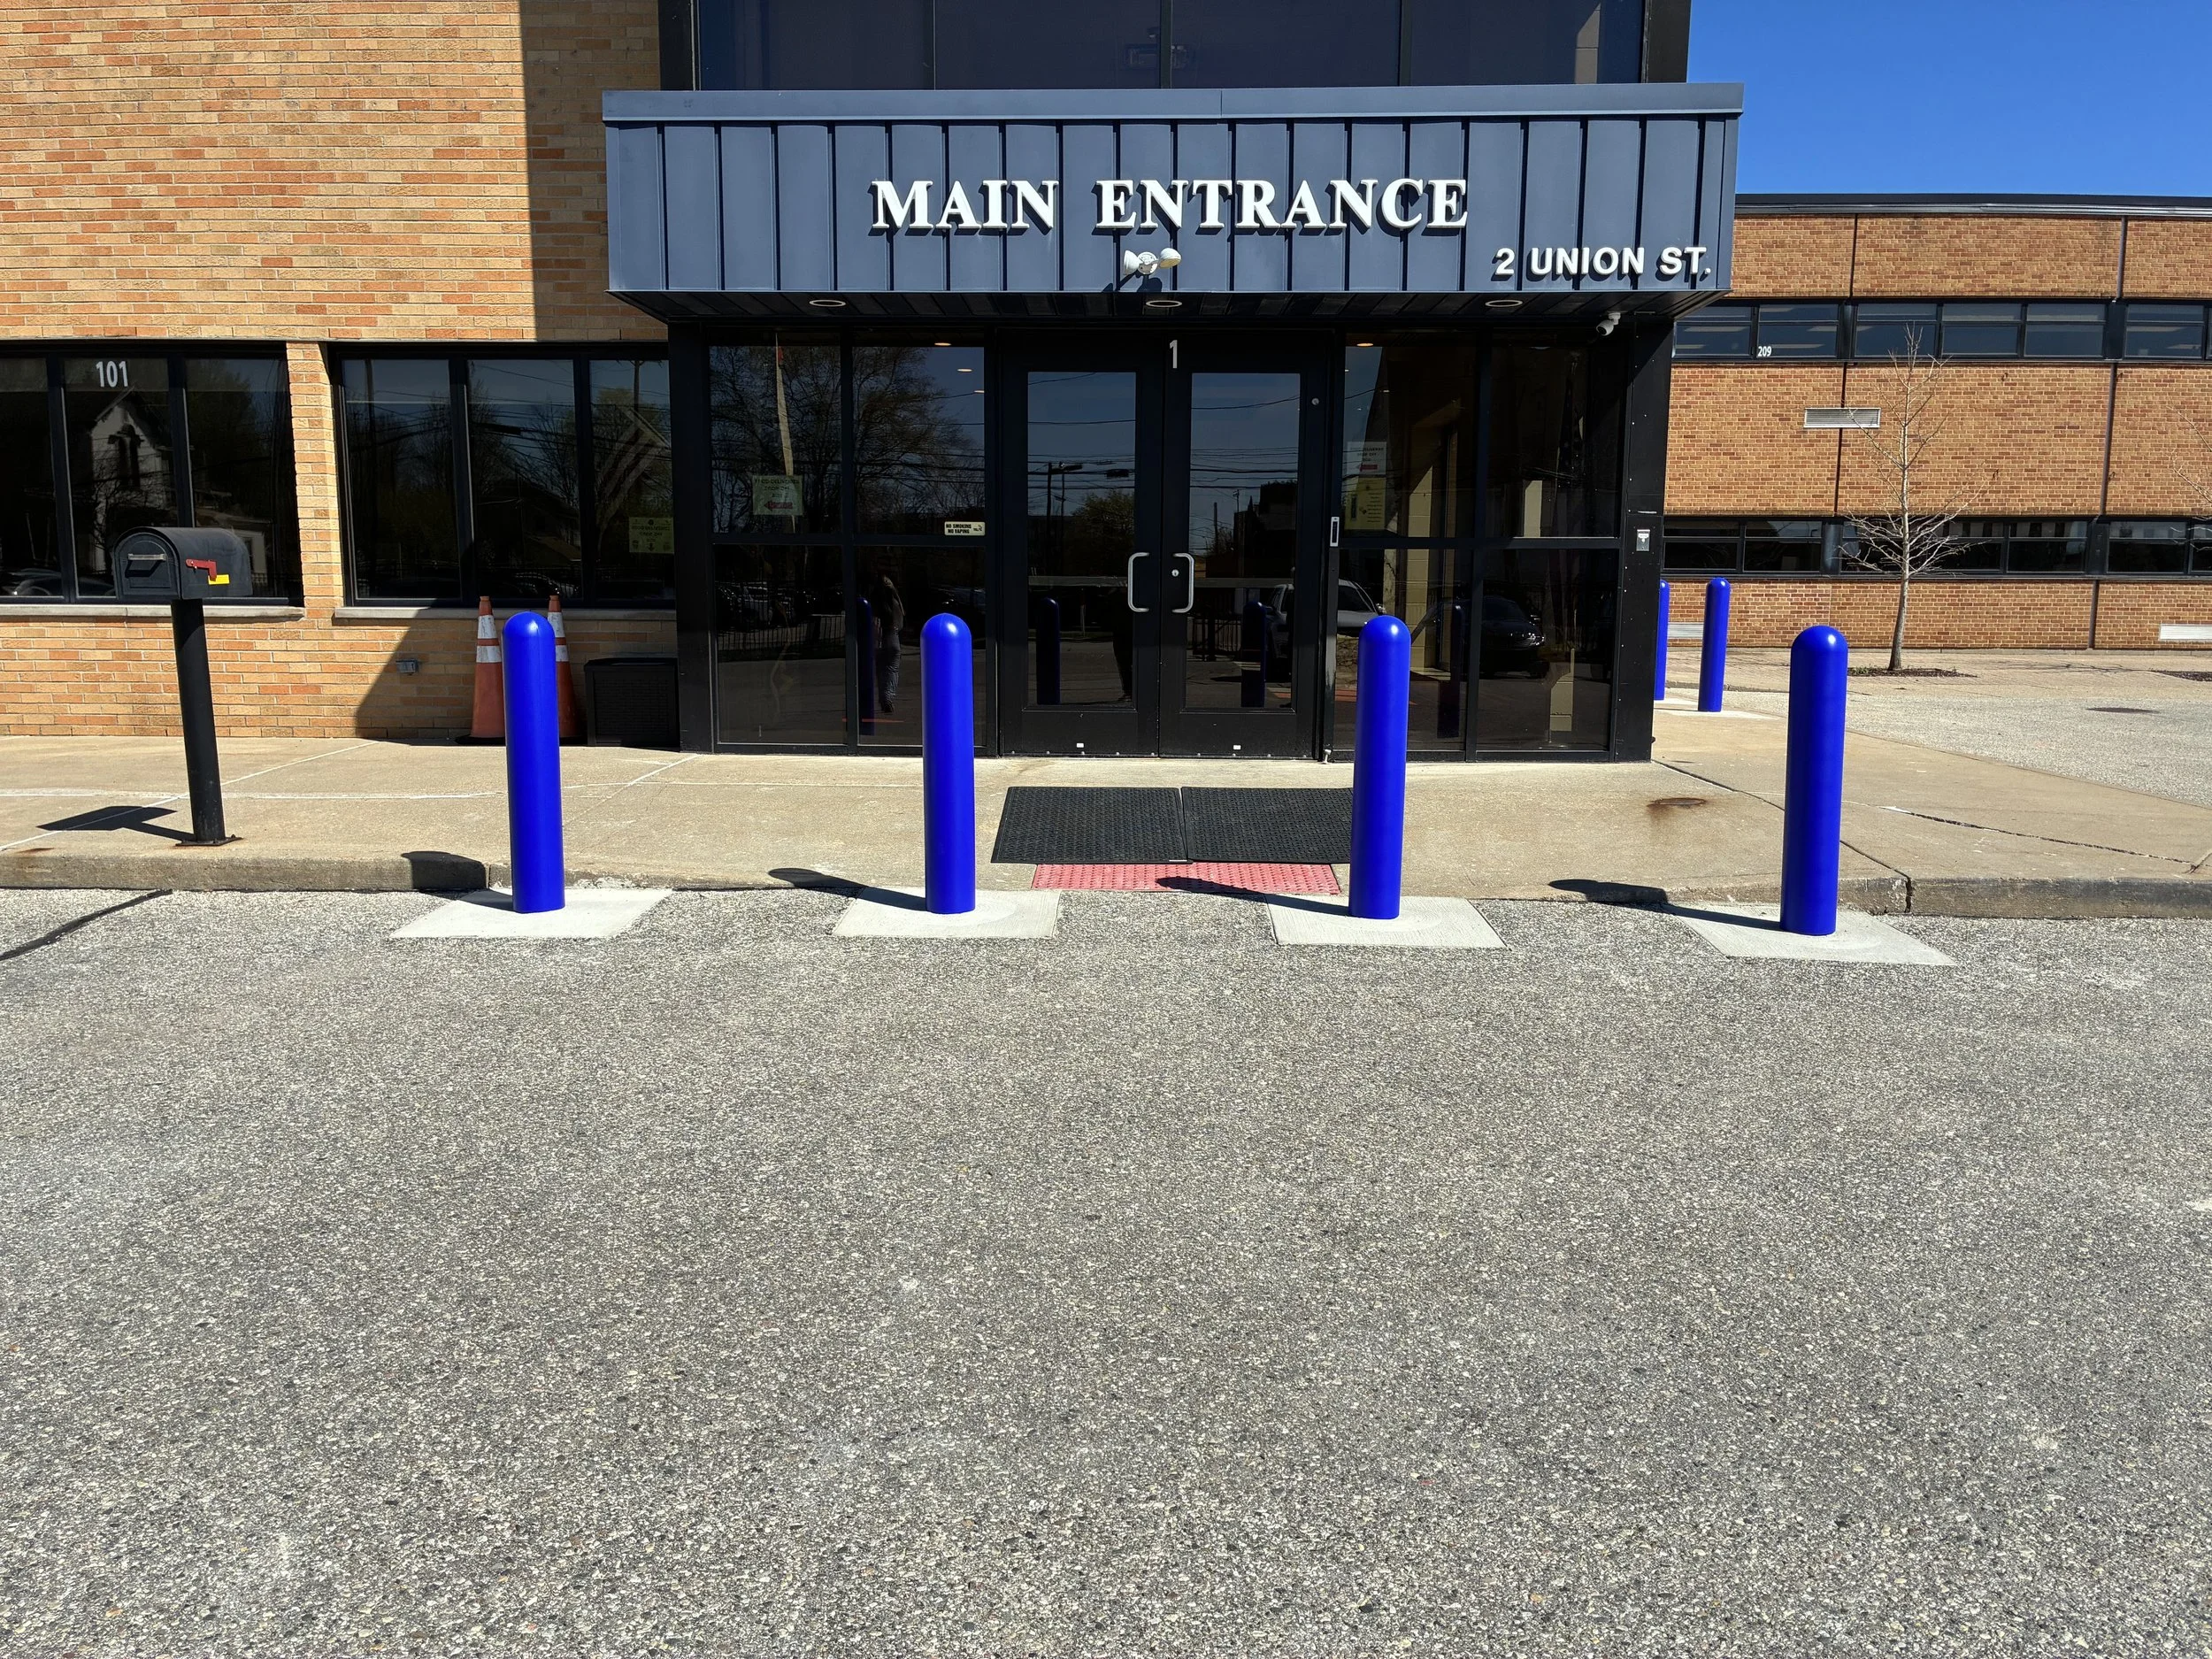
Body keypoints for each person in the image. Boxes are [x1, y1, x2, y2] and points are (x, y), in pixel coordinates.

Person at [870, 570, 906, 714]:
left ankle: (884, 697)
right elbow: (902, 616)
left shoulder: (874, 599)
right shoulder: (893, 598)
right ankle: (888, 697)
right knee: (892, 669)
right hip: (893, 634)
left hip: (879, 635)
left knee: (881, 668)